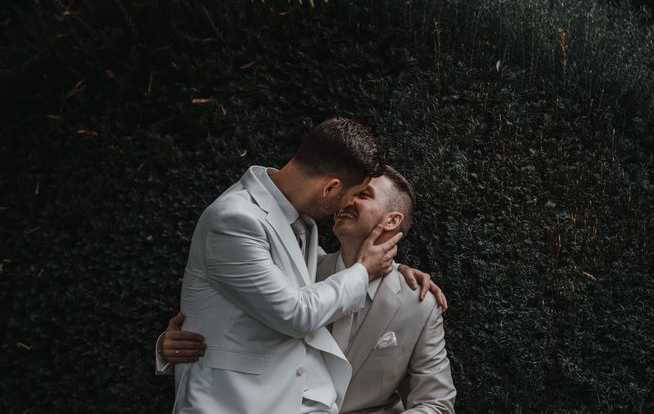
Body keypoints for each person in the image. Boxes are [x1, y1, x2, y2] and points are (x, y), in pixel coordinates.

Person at [160, 164, 456, 414]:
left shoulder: (418, 301)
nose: (346, 201)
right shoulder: (296, 270)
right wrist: (167, 347)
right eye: (349, 191)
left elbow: (437, 403)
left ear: (392, 220)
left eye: (362, 194)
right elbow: (226, 325)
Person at [168, 117, 401, 414]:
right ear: (330, 188)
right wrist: (364, 271)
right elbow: (295, 313)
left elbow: (325, 270)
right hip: (230, 403)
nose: (348, 204)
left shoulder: (299, 218)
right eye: (354, 193)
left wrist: (395, 271)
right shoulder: (233, 221)